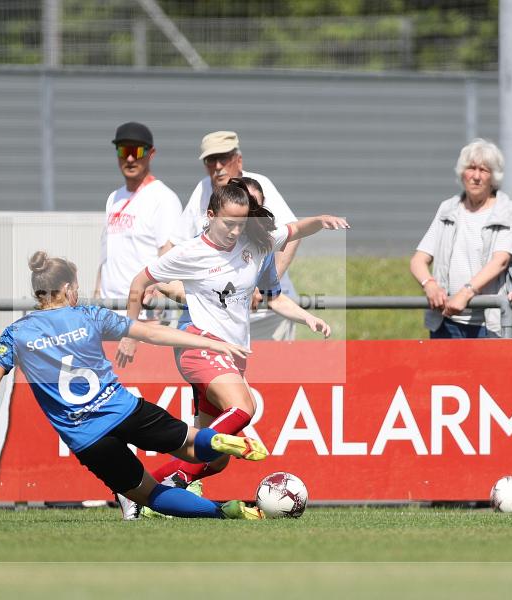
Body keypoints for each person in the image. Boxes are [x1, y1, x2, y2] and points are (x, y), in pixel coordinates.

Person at [0, 251, 270, 521]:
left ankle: (226, 512)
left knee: (150, 496)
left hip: (87, 438)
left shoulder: (17, 333)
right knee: (193, 448)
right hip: (124, 410)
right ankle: (215, 441)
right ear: (67, 287)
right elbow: (153, 335)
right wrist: (206, 341)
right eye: (76, 287)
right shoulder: (88, 315)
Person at [119, 180, 348, 497]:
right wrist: (130, 333)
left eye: (241, 224)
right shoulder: (191, 252)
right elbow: (138, 282)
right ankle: (193, 446)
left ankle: (139, 490)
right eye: (228, 223)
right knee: (245, 405)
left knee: (216, 462)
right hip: (200, 346)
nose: (234, 231)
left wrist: (320, 222)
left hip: (234, 356)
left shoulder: (257, 245)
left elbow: (284, 264)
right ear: (210, 215)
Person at [167, 131, 303, 340]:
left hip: (266, 315)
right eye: (211, 160)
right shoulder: (202, 189)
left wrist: (260, 286)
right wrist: (156, 281)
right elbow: (176, 243)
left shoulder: (258, 186)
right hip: (220, 317)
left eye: (224, 158)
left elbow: (292, 233)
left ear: (238, 160)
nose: (218, 166)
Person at [411, 139, 512, 339]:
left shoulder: (508, 211)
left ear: (493, 177)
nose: (476, 176)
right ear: (462, 172)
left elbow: (500, 261)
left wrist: (466, 293)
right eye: (471, 168)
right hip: (446, 321)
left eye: (484, 170)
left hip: (490, 324)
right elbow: (418, 259)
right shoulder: (447, 209)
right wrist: (429, 284)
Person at [94, 122, 182, 303]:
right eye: (123, 151)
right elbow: (107, 253)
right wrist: (97, 293)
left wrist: (157, 298)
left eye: (137, 151)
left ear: (151, 154)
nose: (130, 159)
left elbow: (167, 255)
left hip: (143, 310)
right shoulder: (113, 198)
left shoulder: (163, 197)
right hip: (108, 310)